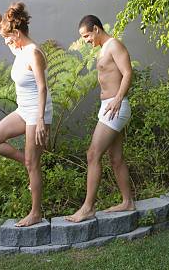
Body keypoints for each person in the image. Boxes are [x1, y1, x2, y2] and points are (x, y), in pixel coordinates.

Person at [0, 2, 53, 227]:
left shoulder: (33, 53)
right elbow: (11, 45)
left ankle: (36, 213)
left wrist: (41, 120)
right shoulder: (20, 49)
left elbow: (42, 87)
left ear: (18, 33)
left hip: (37, 113)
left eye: (9, 37)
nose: (7, 42)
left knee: (34, 165)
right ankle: (28, 161)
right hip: (23, 110)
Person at [66, 15, 134, 222]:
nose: (86, 40)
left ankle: (88, 207)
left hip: (116, 106)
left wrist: (118, 99)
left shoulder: (114, 45)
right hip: (109, 106)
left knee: (92, 154)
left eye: (86, 35)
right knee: (116, 158)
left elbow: (128, 73)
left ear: (96, 29)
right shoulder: (103, 49)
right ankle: (127, 202)